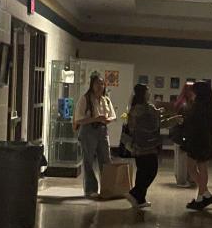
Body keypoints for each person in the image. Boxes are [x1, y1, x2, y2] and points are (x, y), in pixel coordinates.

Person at [73, 72, 115, 198]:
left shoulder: (106, 99)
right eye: (97, 83)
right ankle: (91, 190)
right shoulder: (85, 99)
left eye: (102, 84)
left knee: (106, 160)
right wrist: (95, 119)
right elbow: (78, 119)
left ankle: (107, 188)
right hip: (88, 130)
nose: (100, 86)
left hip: (102, 130)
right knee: (88, 160)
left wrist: (107, 119)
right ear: (92, 85)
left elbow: (113, 115)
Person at [180, 80, 212, 211]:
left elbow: (195, 125)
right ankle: (204, 194)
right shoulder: (211, 107)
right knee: (200, 167)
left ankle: (201, 197)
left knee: (193, 167)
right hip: (206, 141)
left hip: (198, 141)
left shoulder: (198, 107)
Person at [122, 83, 161, 211]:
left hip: (137, 146)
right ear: (143, 94)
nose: (149, 94)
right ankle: (134, 193)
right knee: (151, 171)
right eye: (148, 91)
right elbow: (157, 123)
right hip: (149, 145)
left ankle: (140, 200)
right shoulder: (148, 109)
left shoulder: (133, 109)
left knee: (141, 172)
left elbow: (131, 128)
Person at [169, 80, 196, 188]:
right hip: (182, 135)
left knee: (183, 158)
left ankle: (185, 178)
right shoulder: (184, 104)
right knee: (182, 159)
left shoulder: (185, 102)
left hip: (183, 135)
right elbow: (183, 121)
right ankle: (182, 180)